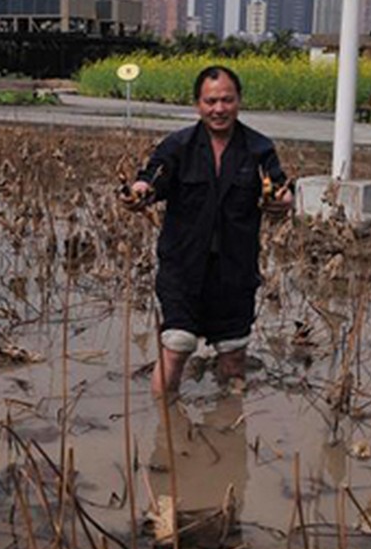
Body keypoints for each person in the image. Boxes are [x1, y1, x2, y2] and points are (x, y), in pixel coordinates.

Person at [123, 65, 292, 395]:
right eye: (210, 101)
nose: (219, 109)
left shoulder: (259, 149)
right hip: (182, 267)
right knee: (176, 345)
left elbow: (280, 188)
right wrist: (138, 192)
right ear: (197, 104)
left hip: (235, 271)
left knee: (232, 352)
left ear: (239, 101)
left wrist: (284, 200)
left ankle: (228, 429)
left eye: (226, 100)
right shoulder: (177, 146)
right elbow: (150, 179)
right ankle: (164, 429)